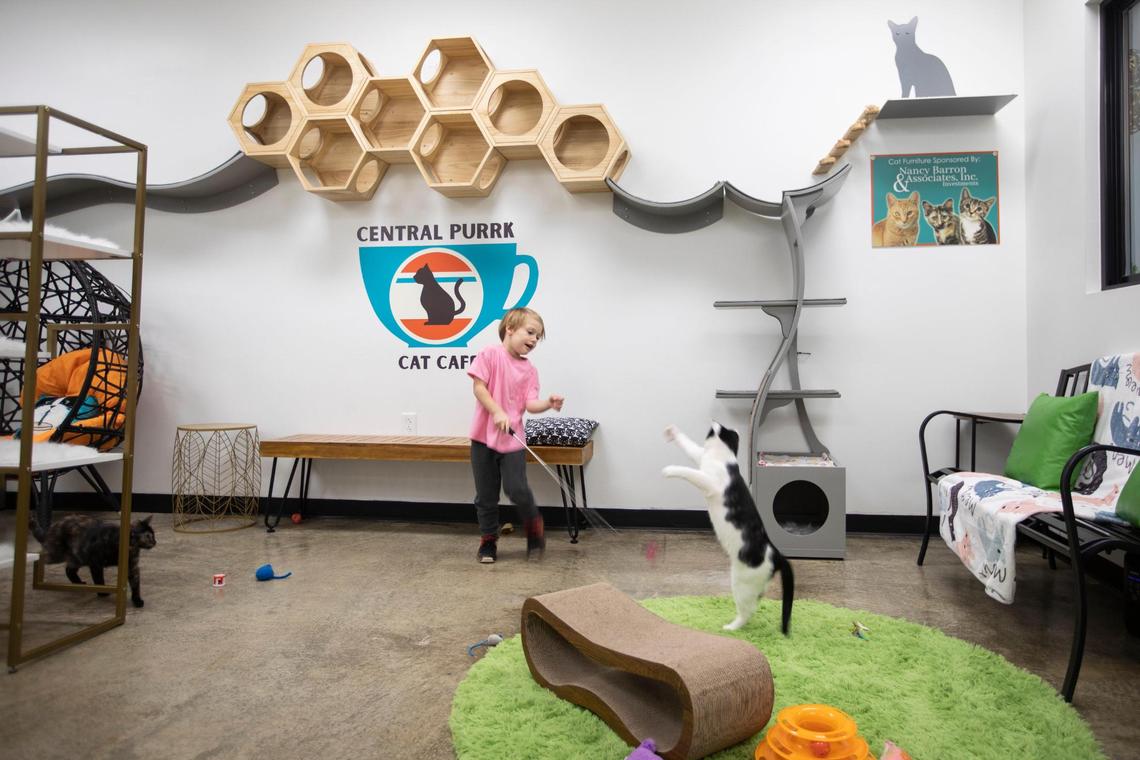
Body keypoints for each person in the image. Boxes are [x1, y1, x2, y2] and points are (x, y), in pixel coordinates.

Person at [467, 307, 563, 563]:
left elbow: (530, 404)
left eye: (538, 337)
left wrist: (547, 403)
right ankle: (488, 541)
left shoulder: (529, 370)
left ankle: (534, 525)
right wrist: (497, 411)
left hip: (512, 440)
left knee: (516, 488)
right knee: (486, 496)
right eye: (530, 332)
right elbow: (479, 388)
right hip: (482, 439)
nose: (533, 340)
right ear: (510, 328)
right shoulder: (489, 354)